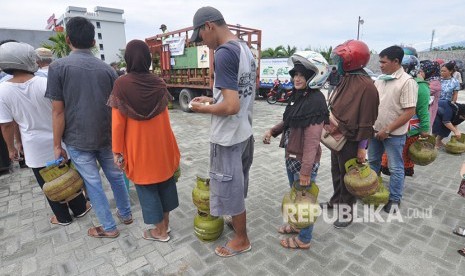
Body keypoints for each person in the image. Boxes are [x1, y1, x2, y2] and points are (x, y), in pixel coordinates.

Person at [45, 16, 132, 238]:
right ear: (94, 42)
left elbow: (58, 111)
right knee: (115, 176)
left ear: (67, 39)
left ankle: (109, 228)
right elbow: (117, 108)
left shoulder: (57, 68)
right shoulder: (108, 70)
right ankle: (126, 214)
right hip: (107, 135)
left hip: (77, 138)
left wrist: (57, 145)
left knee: (93, 183)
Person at [0, 41, 91, 225]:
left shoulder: (2, 90)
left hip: (33, 146)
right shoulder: (45, 81)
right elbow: (62, 111)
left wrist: (13, 147)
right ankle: (81, 208)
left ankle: (63, 217)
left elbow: (7, 125)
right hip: (60, 141)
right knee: (68, 176)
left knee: (47, 183)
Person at [189, 6, 255, 257]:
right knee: (237, 185)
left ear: (209, 26)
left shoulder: (225, 54)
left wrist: (202, 110)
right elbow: (238, 94)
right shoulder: (244, 48)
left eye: (201, 37)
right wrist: (212, 98)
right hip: (244, 132)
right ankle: (237, 225)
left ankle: (241, 239)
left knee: (230, 188)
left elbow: (230, 105)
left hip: (227, 137)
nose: (203, 43)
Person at [108, 39, 180, 242]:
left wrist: (117, 151)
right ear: (148, 59)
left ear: (128, 59)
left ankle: (160, 232)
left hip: (138, 147)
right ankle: (165, 225)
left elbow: (117, 124)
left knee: (147, 188)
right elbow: (165, 117)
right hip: (162, 145)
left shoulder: (121, 84)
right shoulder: (158, 82)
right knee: (165, 183)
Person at [263, 51, 329, 248]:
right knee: (295, 195)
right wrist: (272, 131)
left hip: (303, 162)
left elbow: (312, 141)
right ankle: (296, 225)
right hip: (292, 157)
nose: (297, 78)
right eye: (295, 74)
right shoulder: (299, 96)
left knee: (305, 201)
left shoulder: (316, 100)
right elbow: (289, 120)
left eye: (302, 75)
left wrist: (306, 171)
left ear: (312, 77)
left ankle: (304, 239)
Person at [323, 40, 379, 228]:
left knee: (348, 176)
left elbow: (368, 120)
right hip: (338, 136)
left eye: (339, 59)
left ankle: (346, 214)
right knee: (336, 171)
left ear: (350, 60)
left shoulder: (367, 86)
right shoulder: (346, 78)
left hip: (353, 140)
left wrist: (362, 148)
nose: (336, 63)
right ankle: (336, 201)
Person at [368, 45, 418, 213]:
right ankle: (373, 191)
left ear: (396, 61)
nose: (380, 65)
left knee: (396, 167)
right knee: (373, 163)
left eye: (383, 62)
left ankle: (395, 199)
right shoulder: (381, 79)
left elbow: (409, 111)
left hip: (394, 135)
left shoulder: (407, 82)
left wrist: (388, 130)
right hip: (375, 131)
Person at [381, 54, 430, 177]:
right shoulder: (390, 80)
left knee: (401, 160)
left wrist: (425, 129)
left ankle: (397, 186)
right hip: (391, 127)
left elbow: (423, 111)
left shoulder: (421, 86)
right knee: (390, 155)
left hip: (408, 130)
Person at [419, 60, 441, 129]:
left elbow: (419, 92)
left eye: (422, 71)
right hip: (425, 109)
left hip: (428, 110)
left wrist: (420, 80)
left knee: (424, 130)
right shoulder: (429, 80)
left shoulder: (435, 83)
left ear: (429, 71)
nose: (419, 73)